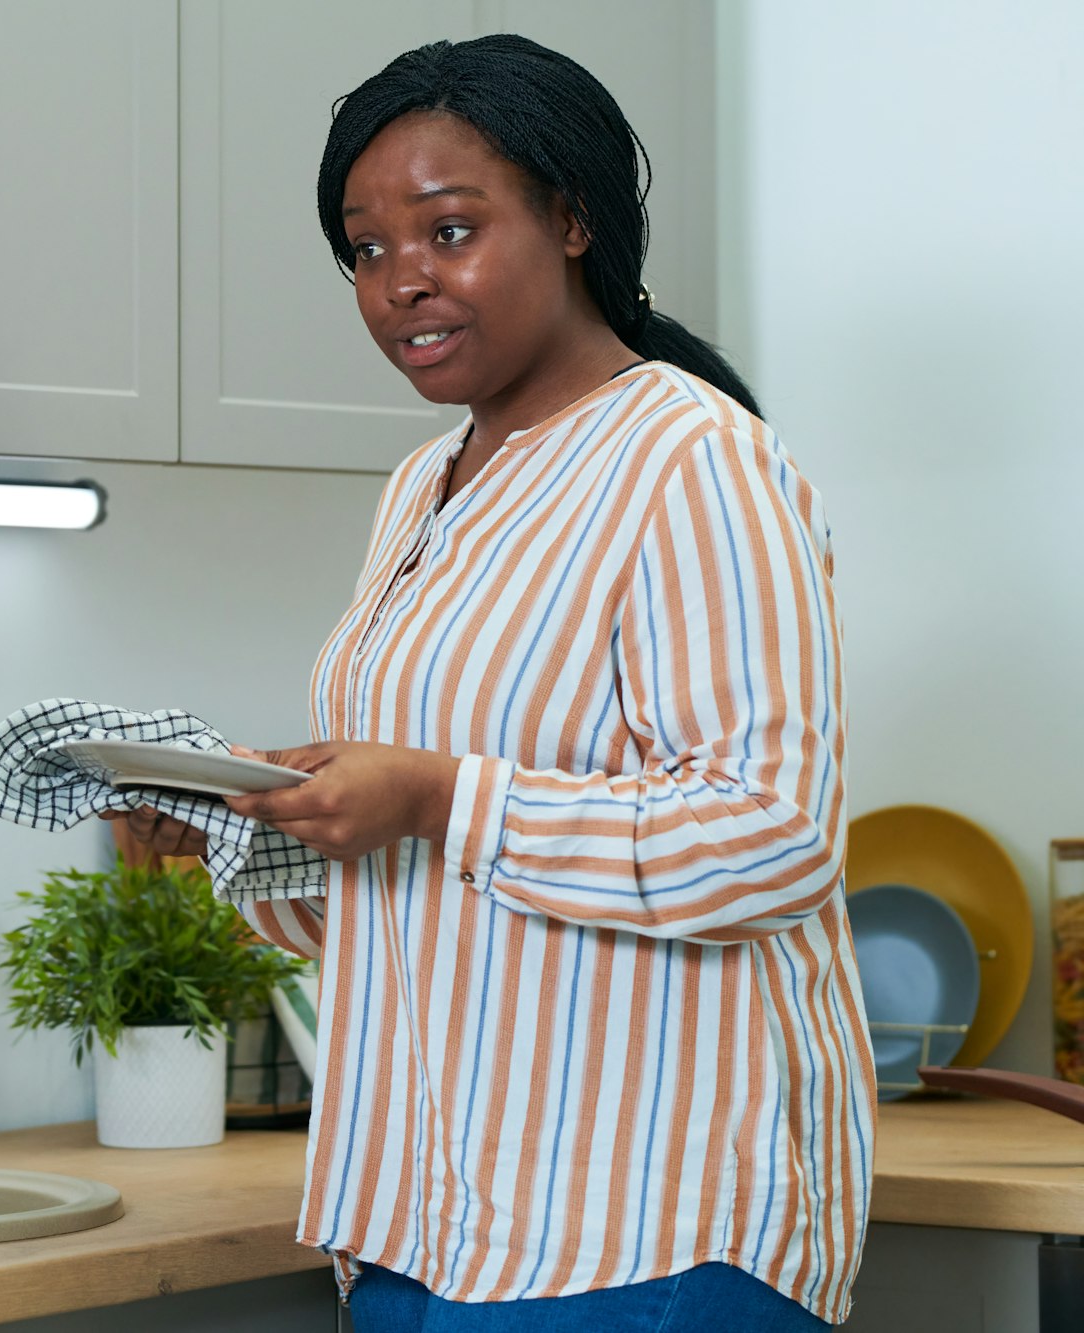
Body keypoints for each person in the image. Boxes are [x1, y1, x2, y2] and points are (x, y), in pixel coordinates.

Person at [115, 36, 871, 1331]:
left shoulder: (694, 460)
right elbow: (418, 902)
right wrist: (243, 833)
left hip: (641, 1233)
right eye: (365, 249)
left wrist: (436, 796)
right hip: (420, 1219)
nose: (402, 281)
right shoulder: (425, 486)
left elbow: (771, 840)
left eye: (450, 230)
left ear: (574, 219)